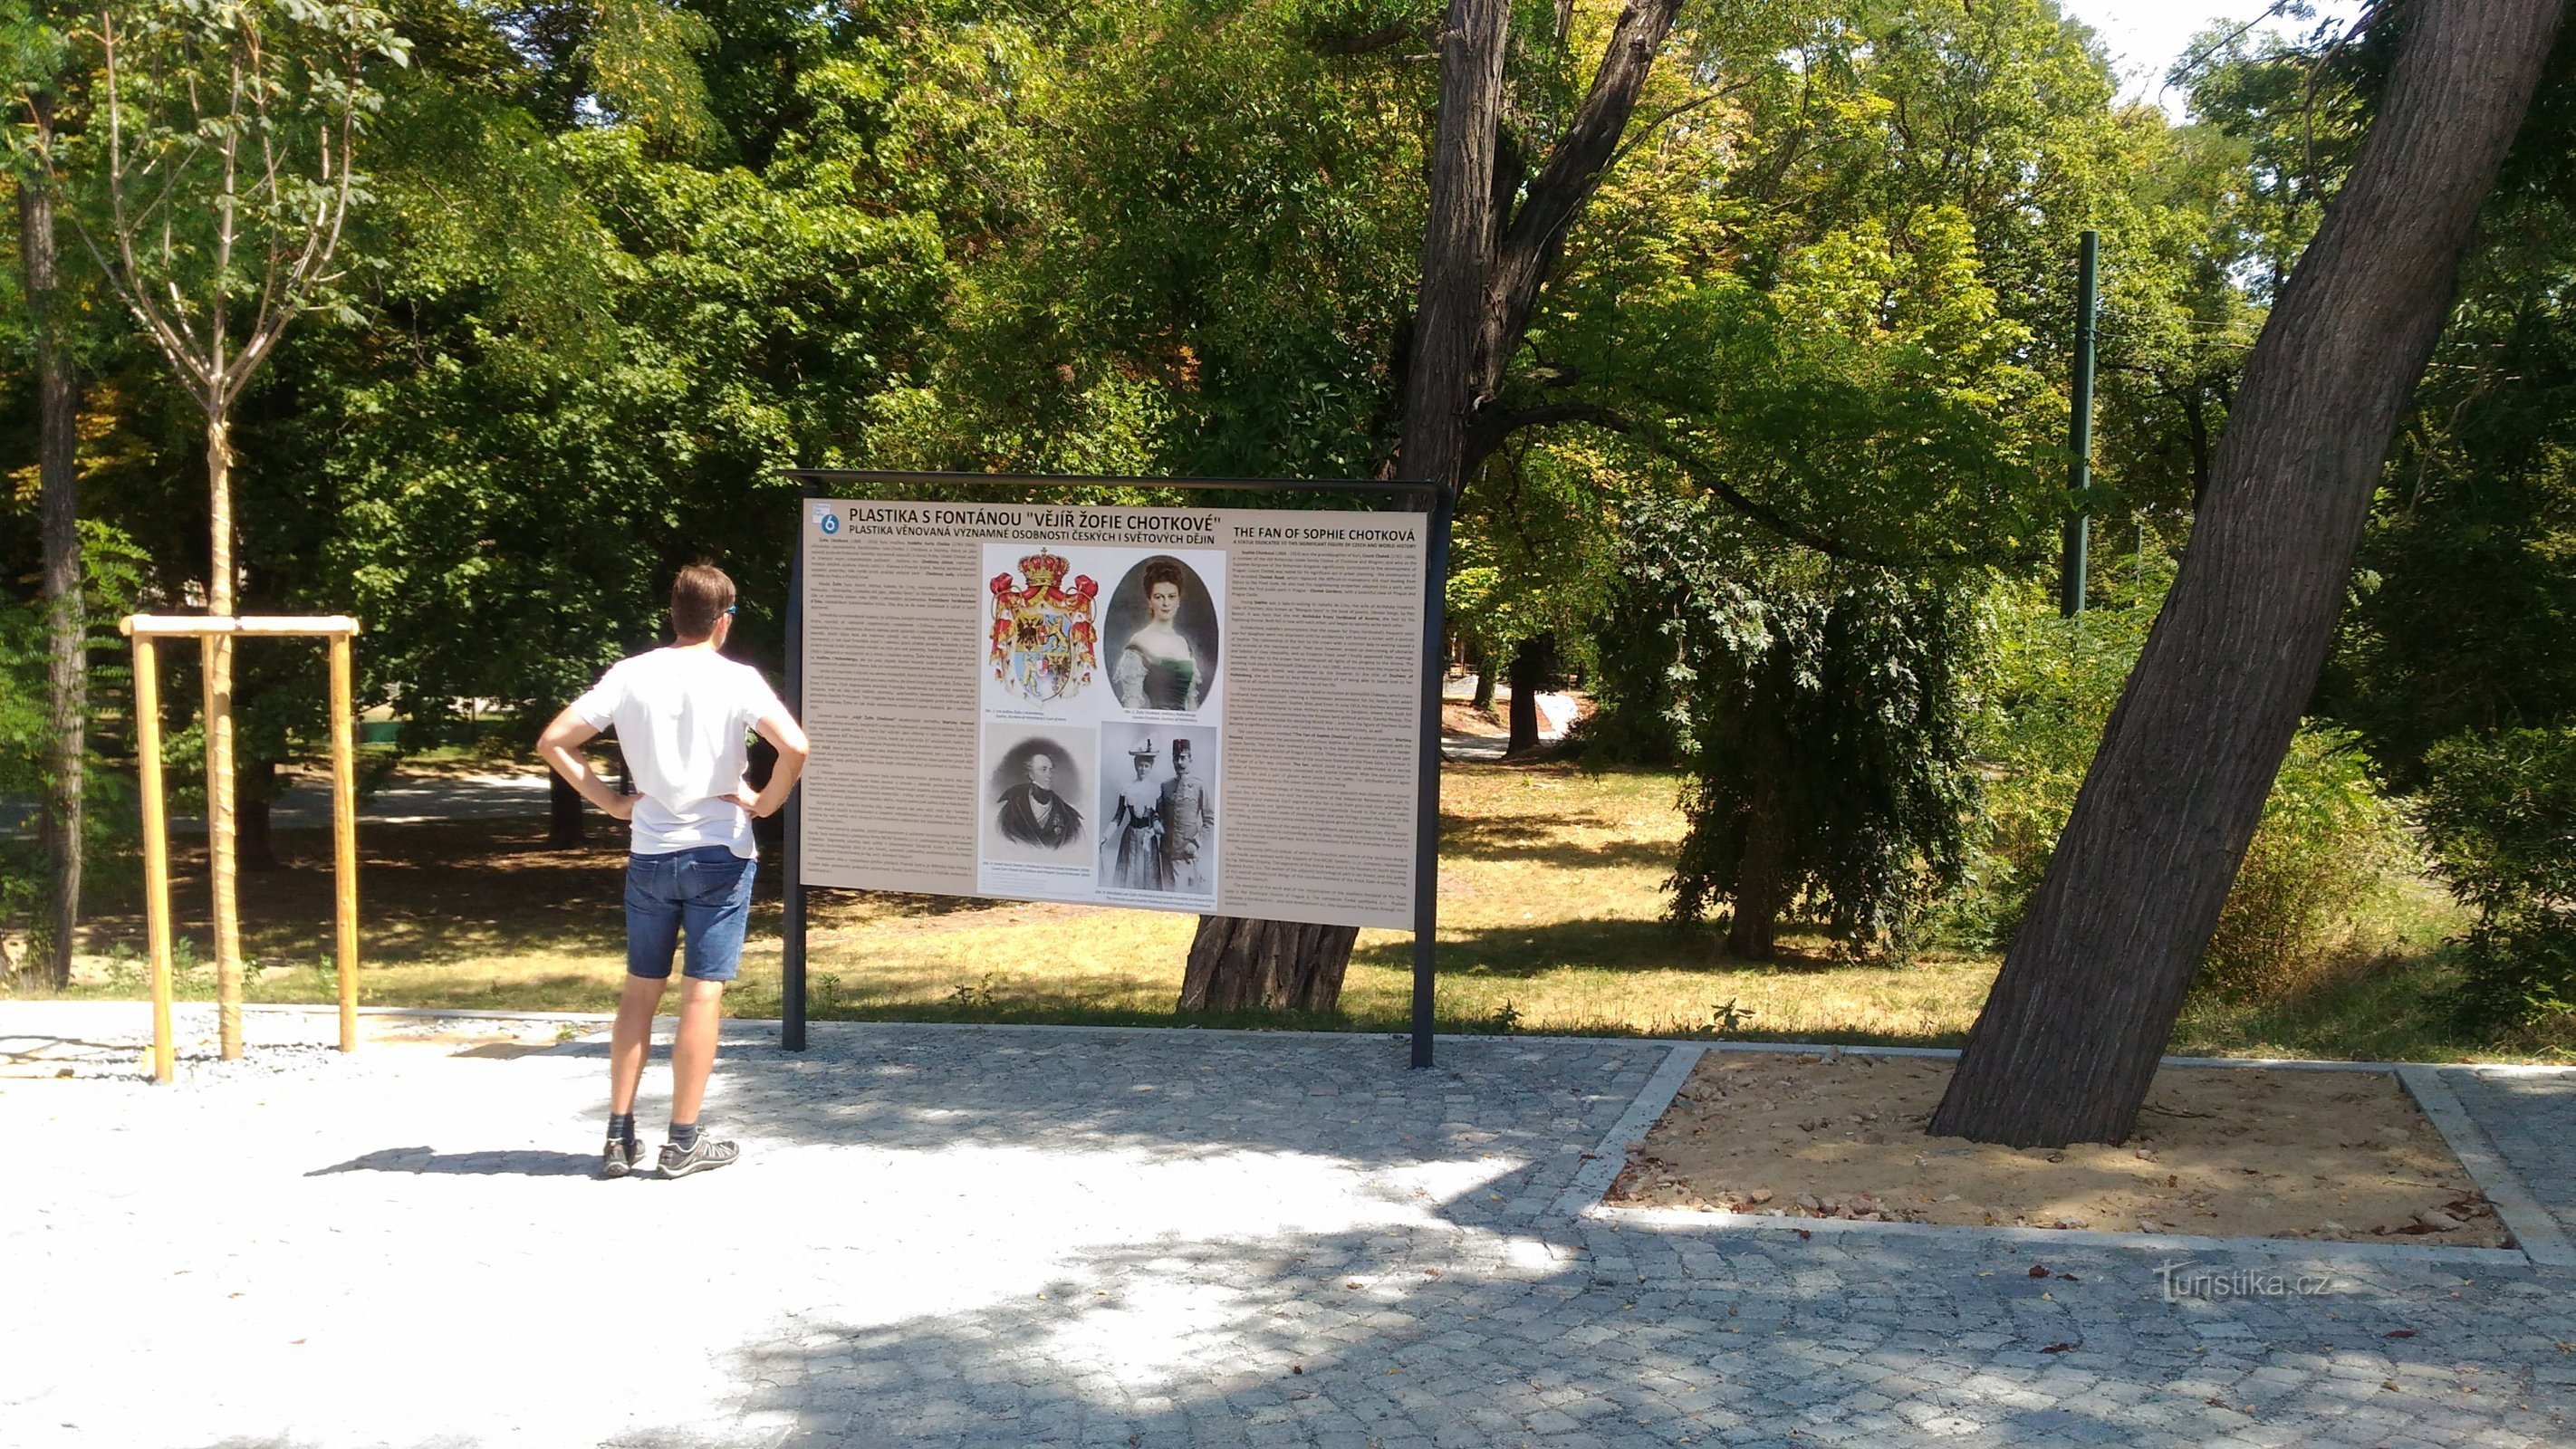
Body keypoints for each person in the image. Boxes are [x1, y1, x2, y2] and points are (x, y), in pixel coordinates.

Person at [537, 563, 808, 1180]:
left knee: (639, 991)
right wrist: (766, 802)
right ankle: (682, 1139)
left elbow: (555, 740)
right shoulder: (738, 679)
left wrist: (609, 802)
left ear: (674, 615)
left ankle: (617, 1134)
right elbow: (795, 746)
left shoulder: (630, 675)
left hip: (651, 851)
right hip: (720, 851)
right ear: (725, 619)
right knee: (701, 993)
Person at [1112, 561, 1206, 711]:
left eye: (1171, 596)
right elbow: (1132, 703)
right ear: (1149, 601)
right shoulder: (1140, 640)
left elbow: (1191, 703)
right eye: (1158, 597)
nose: (1165, 603)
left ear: (1178, 601)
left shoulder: (1183, 643)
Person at [1102, 739, 1163, 889]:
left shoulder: (1155, 790)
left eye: (1146, 766)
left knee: (1147, 876)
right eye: (1140, 765)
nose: (1143, 769)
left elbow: (1160, 817)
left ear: (1151, 767)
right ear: (1135, 766)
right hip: (1130, 838)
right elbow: (1118, 816)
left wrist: (1155, 828)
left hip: (1148, 838)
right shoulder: (1127, 789)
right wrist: (1105, 836)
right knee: (1129, 874)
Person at [1157, 737, 1214, 893]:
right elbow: (1158, 815)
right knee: (1166, 895)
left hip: (1186, 853)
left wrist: (1196, 843)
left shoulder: (1199, 786)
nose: (1180, 763)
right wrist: (1156, 823)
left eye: (1183, 758)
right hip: (1167, 851)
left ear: (1190, 759)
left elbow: (1210, 821)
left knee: (1182, 895)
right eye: (1176, 758)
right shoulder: (1165, 786)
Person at [995, 749, 1083, 849]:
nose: (1049, 775)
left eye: (1051, 770)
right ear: (1031, 774)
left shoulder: (1067, 814)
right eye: (1043, 769)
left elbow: (1075, 845)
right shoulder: (1013, 807)